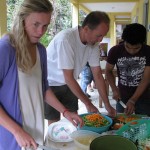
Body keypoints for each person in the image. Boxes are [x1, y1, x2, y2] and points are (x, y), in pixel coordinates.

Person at [0, 0, 83, 150]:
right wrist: (17, 131)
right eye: (36, 24)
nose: (41, 31)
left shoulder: (40, 50)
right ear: (22, 20)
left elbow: (44, 89)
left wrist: (65, 112)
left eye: (45, 26)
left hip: (35, 129)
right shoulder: (6, 48)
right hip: (12, 135)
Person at [46, 11, 116, 125]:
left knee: (75, 121)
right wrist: (88, 104)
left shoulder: (93, 44)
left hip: (69, 84)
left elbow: (97, 75)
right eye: (99, 35)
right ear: (86, 29)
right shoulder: (66, 39)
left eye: (103, 35)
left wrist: (108, 106)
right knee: (54, 124)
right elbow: (68, 77)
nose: (101, 40)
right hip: (50, 85)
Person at [106, 23, 150, 116]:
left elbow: (146, 78)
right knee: (122, 121)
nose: (132, 51)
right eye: (128, 47)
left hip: (144, 95)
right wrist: (114, 89)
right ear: (123, 40)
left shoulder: (148, 52)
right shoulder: (115, 51)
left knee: (143, 120)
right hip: (122, 95)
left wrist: (133, 100)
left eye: (136, 48)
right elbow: (108, 71)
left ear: (143, 43)